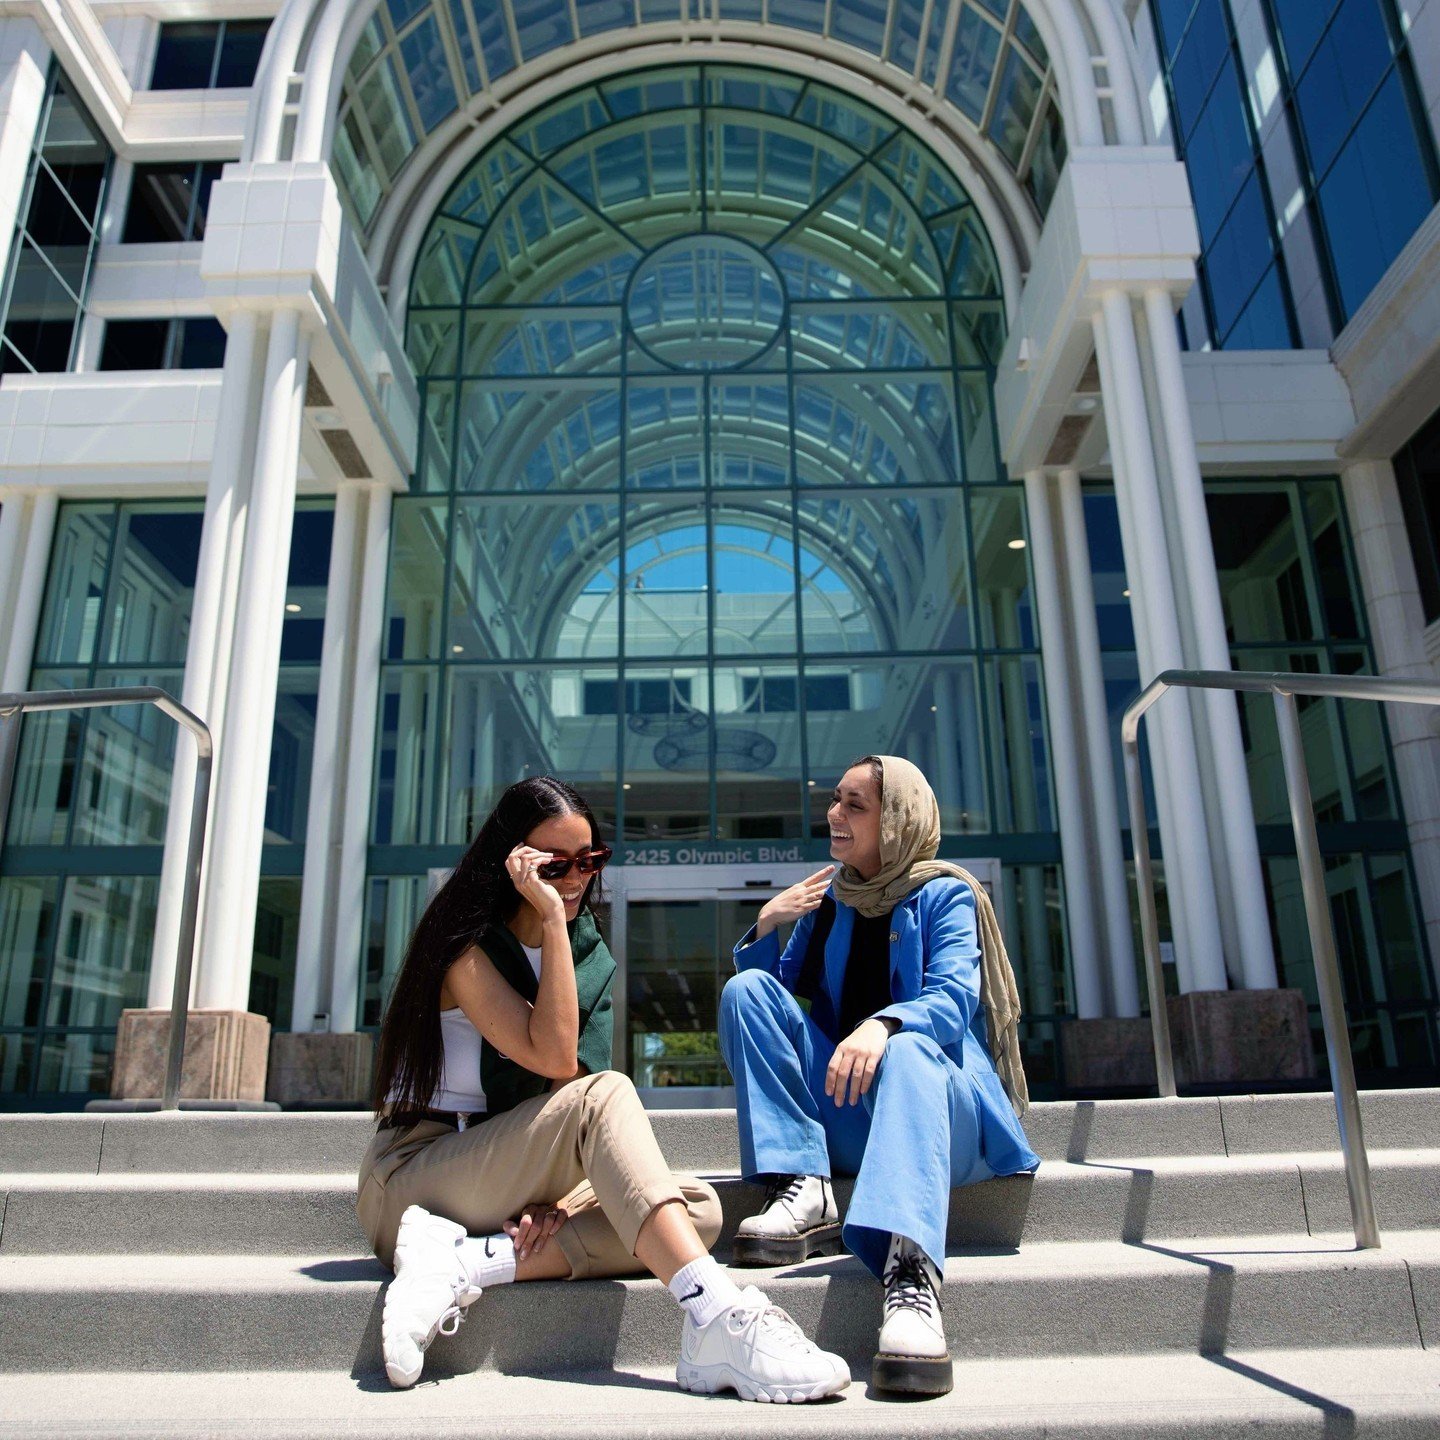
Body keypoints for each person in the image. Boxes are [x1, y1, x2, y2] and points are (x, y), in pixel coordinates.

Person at [358, 775, 850, 1401]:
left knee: (696, 1212)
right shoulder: (465, 949)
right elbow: (559, 1060)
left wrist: (561, 1201)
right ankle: (716, 1316)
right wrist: (554, 922)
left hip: (499, 1172)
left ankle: (468, 1261)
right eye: (554, 864)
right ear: (511, 862)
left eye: (589, 861)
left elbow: (565, 1100)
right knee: (611, 1094)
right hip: (415, 1177)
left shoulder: (586, 954)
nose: (574, 879)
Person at [718, 754, 1039, 1397]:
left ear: (896, 819)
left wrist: (883, 1024)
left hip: (934, 1109)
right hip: (849, 1105)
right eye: (835, 800)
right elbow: (775, 1008)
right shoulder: (830, 900)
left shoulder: (946, 893)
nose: (833, 814)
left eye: (853, 805)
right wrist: (767, 924)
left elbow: (953, 1000)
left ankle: (912, 1276)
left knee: (914, 1050)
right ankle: (804, 1183)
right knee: (745, 989)